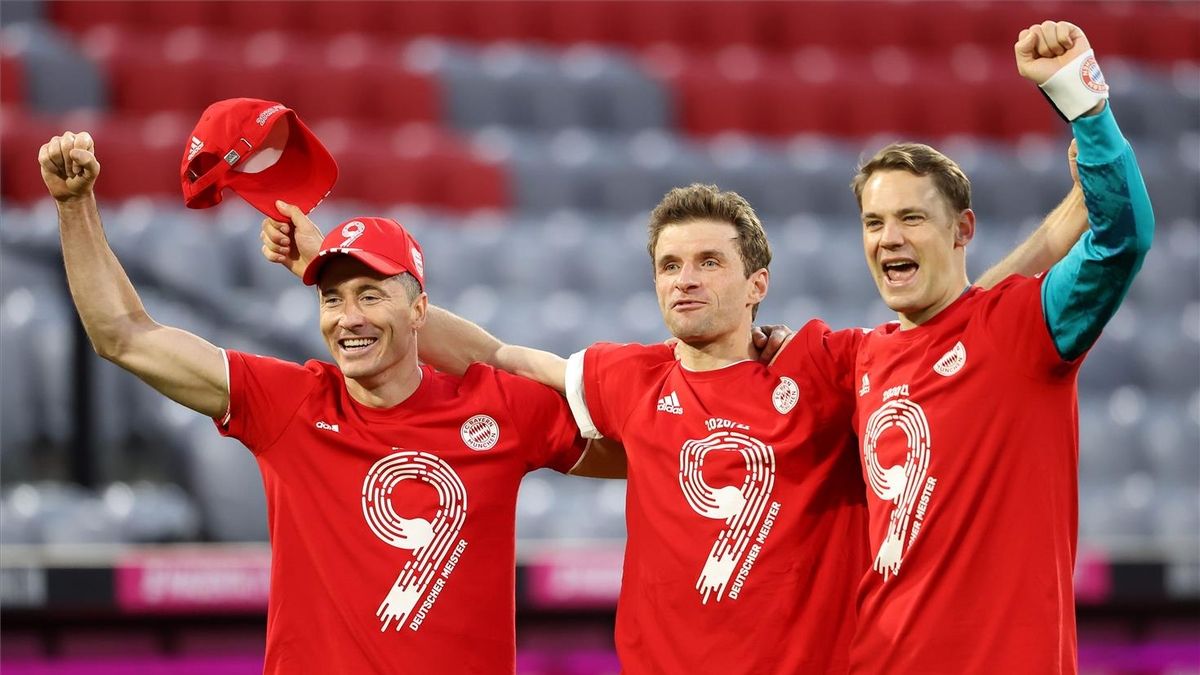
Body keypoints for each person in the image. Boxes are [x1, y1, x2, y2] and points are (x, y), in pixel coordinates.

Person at [263, 170, 1088, 672]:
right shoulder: (629, 376)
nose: (684, 281)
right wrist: (320, 262)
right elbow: (495, 353)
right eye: (668, 265)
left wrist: (1078, 206)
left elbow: (959, 323)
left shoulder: (824, 366)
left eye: (708, 262)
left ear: (757, 281)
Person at [37, 132, 630, 673]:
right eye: (330, 298)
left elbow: (636, 455)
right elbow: (122, 334)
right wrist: (75, 207)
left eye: (370, 295)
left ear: (420, 310)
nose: (348, 319)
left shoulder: (498, 408)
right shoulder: (287, 402)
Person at [843, 21, 1153, 673]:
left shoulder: (1020, 327)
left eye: (911, 218)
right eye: (874, 222)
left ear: (964, 230)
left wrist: (1082, 100)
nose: (888, 237)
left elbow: (1122, 237)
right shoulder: (858, 359)